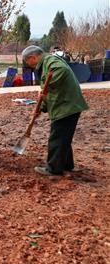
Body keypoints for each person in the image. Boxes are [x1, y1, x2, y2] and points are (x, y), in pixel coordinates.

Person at [21, 45, 89, 176]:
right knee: (64, 138)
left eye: (27, 62)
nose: (29, 66)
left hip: (66, 106)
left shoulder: (50, 62)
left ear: (32, 58)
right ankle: (67, 166)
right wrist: (41, 108)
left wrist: (47, 88)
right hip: (67, 105)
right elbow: (50, 93)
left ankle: (53, 169)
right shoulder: (47, 63)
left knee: (57, 138)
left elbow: (61, 71)